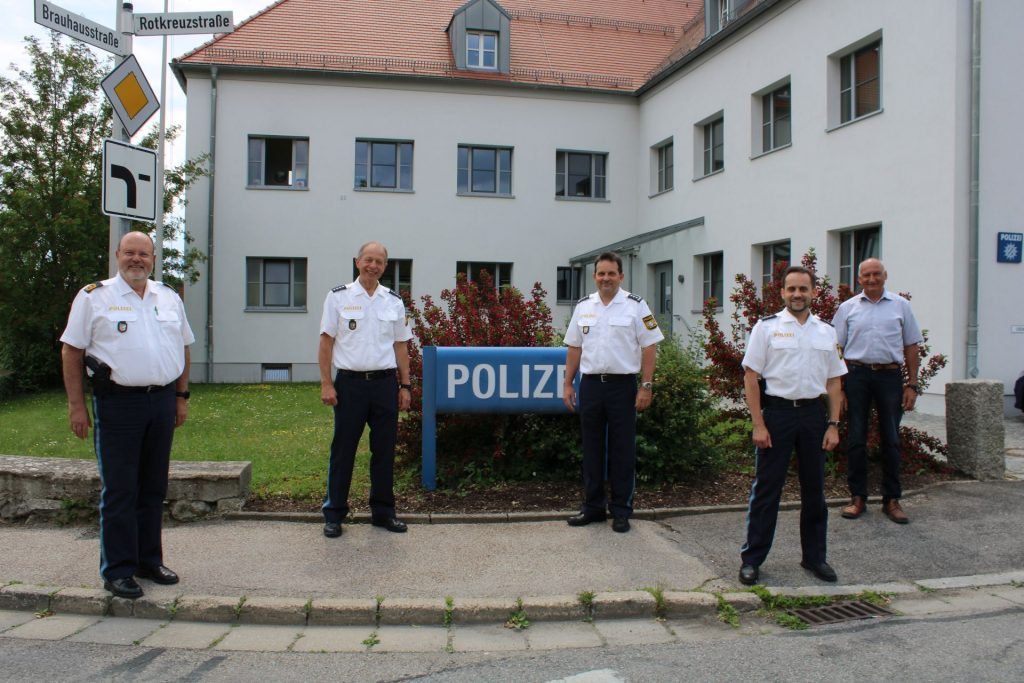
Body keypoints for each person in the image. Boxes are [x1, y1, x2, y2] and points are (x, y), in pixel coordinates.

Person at [60, 231, 194, 600]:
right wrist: (76, 406)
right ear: (118, 255)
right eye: (130, 253)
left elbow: (183, 347)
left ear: (153, 258)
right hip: (118, 404)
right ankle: (117, 570)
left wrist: (181, 397)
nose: (137, 260)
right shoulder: (94, 297)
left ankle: (148, 560)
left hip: (162, 401)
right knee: (120, 489)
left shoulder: (167, 297)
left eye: (144, 254)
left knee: (153, 487)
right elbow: (71, 352)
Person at [738, 266, 846, 585]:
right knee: (767, 491)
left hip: (813, 416)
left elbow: (834, 381)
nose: (797, 294)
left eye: (803, 289)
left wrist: (833, 424)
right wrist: (758, 424)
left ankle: (815, 558)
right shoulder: (767, 328)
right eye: (791, 289)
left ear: (813, 292)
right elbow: (750, 376)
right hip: (778, 415)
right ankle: (752, 559)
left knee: (815, 491)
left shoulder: (826, 331)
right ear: (782, 292)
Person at [562, 252, 664, 533]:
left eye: (611, 273)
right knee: (592, 449)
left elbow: (650, 346)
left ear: (621, 276)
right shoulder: (584, 306)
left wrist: (646, 385)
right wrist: (568, 384)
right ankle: (593, 507)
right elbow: (574, 347)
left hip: (622, 387)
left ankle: (621, 510)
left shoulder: (635, 306)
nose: (605, 278)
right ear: (594, 276)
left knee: (622, 450)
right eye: (601, 274)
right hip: (591, 385)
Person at [319, 241, 412, 537]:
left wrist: (405, 385)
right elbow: (326, 342)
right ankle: (334, 514)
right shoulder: (338, 298)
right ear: (358, 262)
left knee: (384, 451)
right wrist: (326, 383)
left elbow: (401, 345)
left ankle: (383, 513)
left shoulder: (394, 301)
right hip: (350, 385)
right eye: (368, 260)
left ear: (385, 267)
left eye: (380, 262)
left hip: (385, 384)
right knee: (343, 450)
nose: (374, 266)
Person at [832, 258, 923, 524]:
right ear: (859, 279)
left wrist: (912, 384)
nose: (871, 279)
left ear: (885, 276)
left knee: (891, 439)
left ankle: (891, 500)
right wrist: (840, 388)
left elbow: (911, 347)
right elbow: (836, 349)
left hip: (890, 377)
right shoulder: (847, 308)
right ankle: (857, 497)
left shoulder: (901, 306)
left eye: (876, 274)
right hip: (857, 376)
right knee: (857, 438)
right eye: (866, 275)